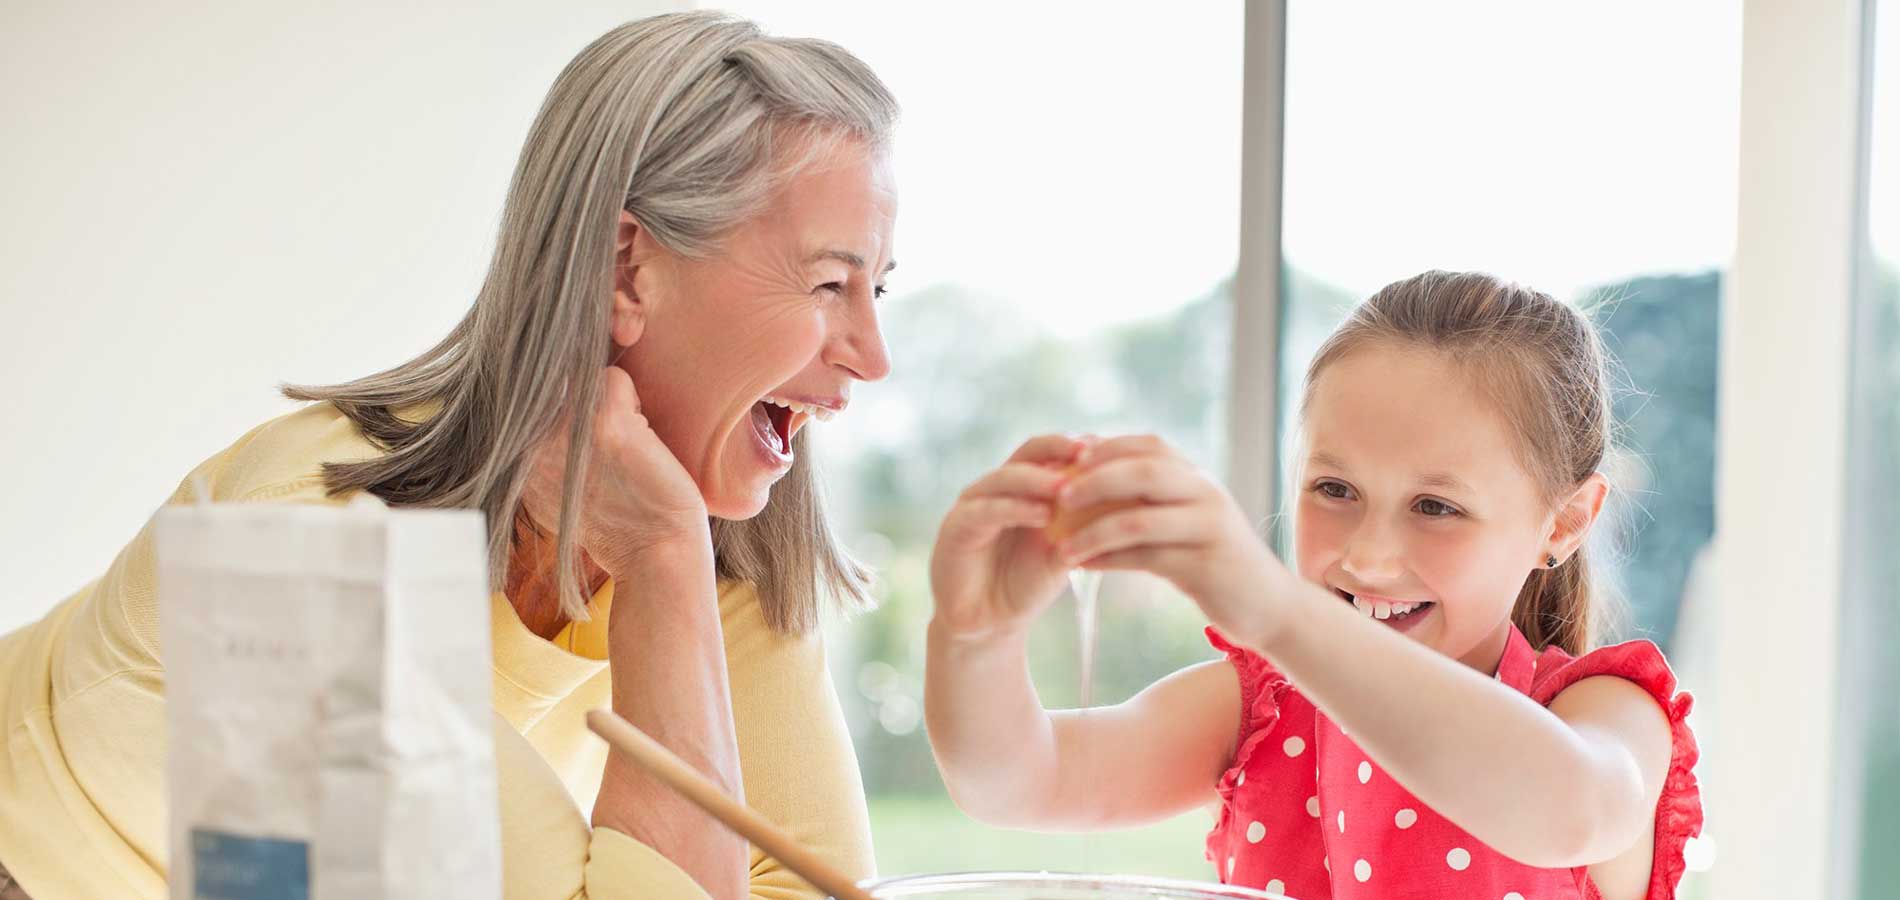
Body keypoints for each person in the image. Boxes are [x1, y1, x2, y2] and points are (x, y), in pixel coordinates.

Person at [0, 11, 897, 899]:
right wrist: (663, 561)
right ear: (628, 270)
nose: (873, 354)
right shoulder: (309, 557)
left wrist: (673, 557)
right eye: (829, 283)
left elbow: (809, 889)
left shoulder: (711, 513)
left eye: (879, 289)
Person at [925, 271, 1703, 900]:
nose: (1367, 557)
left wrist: (1272, 606)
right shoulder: (1260, 710)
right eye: (1335, 490)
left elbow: (1568, 811)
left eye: (1436, 507)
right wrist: (975, 636)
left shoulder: (1603, 715)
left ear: (1564, 523)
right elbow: (1015, 781)